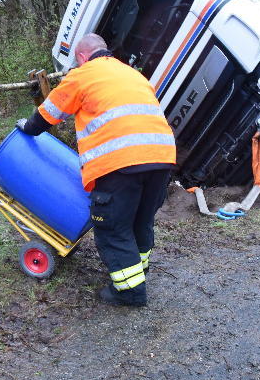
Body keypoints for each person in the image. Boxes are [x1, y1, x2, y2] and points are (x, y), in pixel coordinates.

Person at [16, 33, 176, 306]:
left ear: (81, 56)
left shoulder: (83, 75)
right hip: (161, 158)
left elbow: (48, 114)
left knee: (113, 227)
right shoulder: (133, 74)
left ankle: (129, 292)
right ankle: (138, 272)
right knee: (141, 220)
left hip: (120, 163)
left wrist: (27, 128)